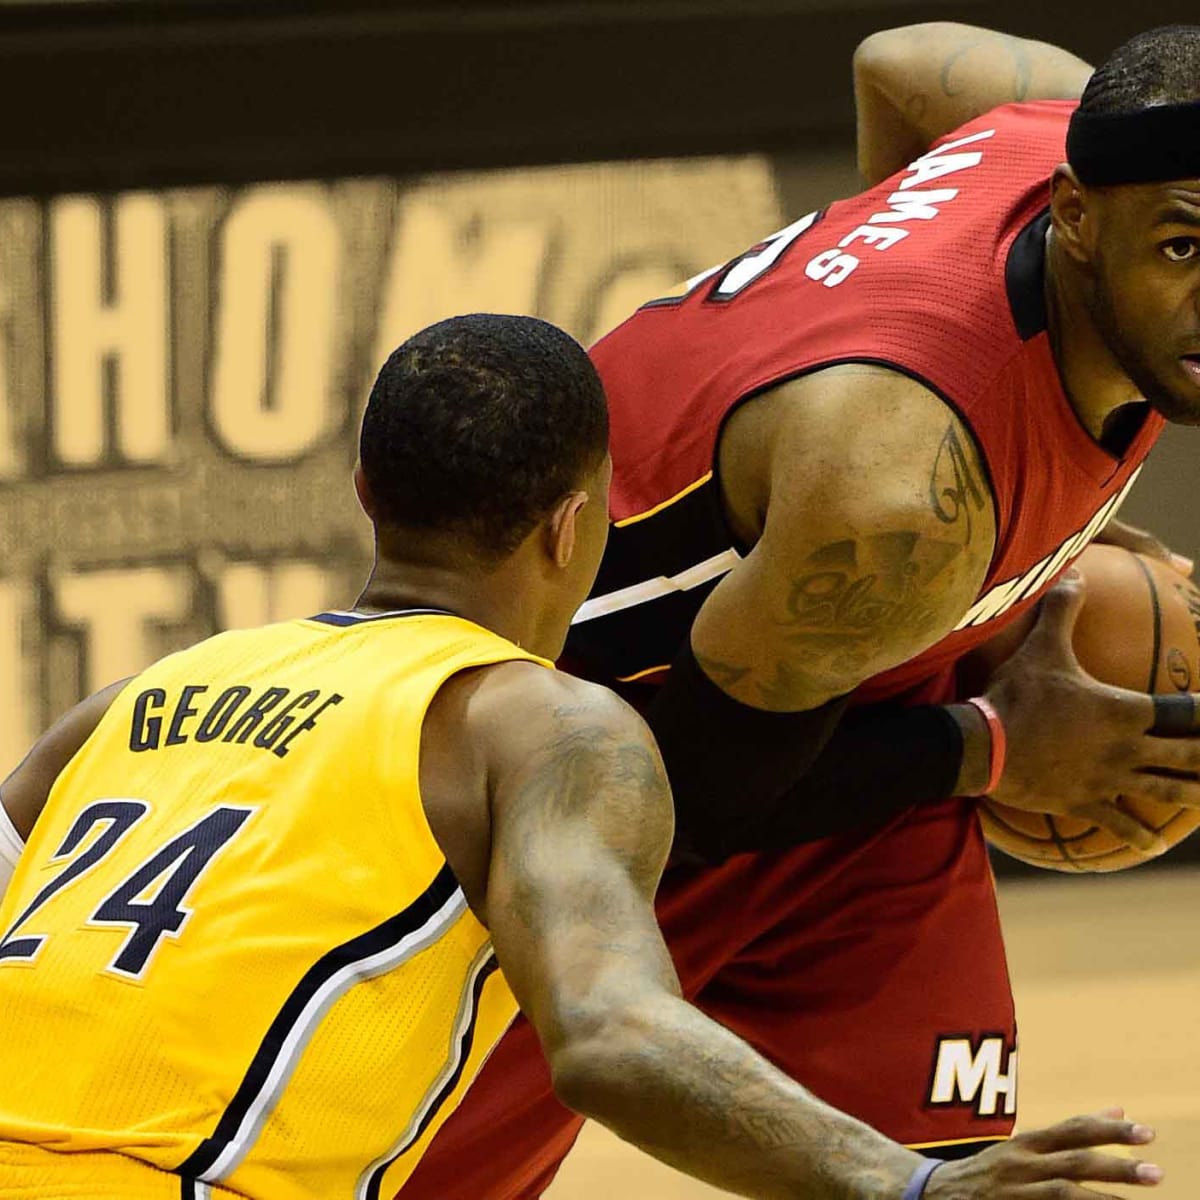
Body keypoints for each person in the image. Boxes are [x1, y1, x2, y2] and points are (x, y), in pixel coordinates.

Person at [0, 313, 1156, 1199]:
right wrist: (904, 1181)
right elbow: (610, 1034)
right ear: (576, 526)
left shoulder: (132, 702)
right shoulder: (542, 723)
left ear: (366, 495)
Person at [400, 23, 1200, 1200]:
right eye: (1185, 246)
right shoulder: (902, 497)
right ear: (1074, 217)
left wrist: (1017, 546)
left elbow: (902, 55)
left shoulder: (1053, 126)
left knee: (961, 1180)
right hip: (573, 774)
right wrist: (996, 743)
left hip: (829, 699)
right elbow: (700, 804)